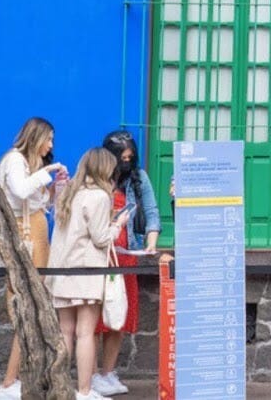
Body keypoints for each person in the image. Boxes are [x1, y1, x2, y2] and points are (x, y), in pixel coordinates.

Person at [47, 147, 132, 400]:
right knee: (85, 332)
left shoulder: (69, 192)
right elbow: (101, 238)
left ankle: (60, 387)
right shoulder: (99, 196)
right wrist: (118, 225)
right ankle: (84, 391)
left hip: (61, 271)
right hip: (86, 272)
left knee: (64, 332)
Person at [0, 116, 68, 400]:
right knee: (25, 311)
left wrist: (53, 188)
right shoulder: (14, 160)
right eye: (48, 139)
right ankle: (9, 382)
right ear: (35, 137)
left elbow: (37, 202)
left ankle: (17, 380)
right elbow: (20, 190)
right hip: (25, 238)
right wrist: (47, 172)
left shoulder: (28, 165)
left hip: (35, 234)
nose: (50, 145)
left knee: (33, 311)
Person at [92, 130, 162, 397]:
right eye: (121, 157)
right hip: (99, 257)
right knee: (95, 318)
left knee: (118, 315)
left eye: (130, 157)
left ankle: (107, 373)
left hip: (126, 255)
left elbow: (152, 212)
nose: (126, 161)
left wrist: (151, 242)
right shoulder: (95, 178)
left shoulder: (138, 178)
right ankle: (90, 375)